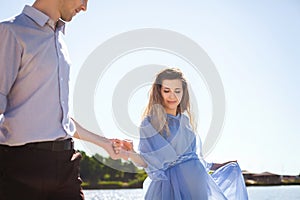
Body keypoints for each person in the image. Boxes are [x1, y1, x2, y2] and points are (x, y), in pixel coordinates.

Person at [0, 0, 121, 199]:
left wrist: (105, 143)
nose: (84, 7)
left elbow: (58, 120)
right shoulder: (11, 32)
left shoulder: (59, 40)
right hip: (20, 169)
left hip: (66, 165)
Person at [113, 68, 249, 200]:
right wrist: (131, 152)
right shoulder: (151, 122)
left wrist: (221, 165)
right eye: (167, 91)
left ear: (183, 92)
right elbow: (148, 161)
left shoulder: (185, 122)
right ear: (159, 92)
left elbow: (196, 160)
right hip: (171, 187)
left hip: (198, 186)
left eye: (177, 91)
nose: (172, 96)